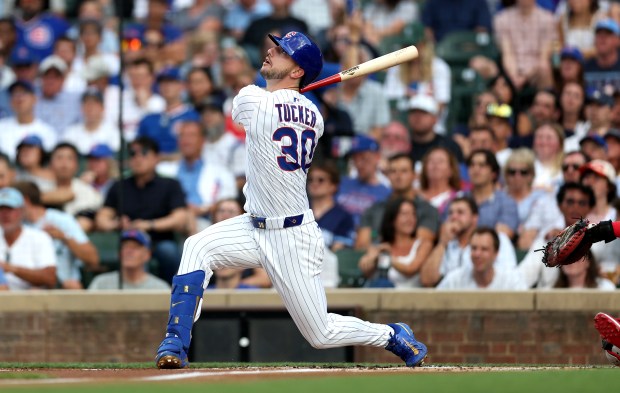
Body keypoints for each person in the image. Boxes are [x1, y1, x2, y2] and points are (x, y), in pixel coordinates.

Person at [155, 31, 428, 370]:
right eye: (276, 46)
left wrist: (277, 97)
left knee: (321, 333)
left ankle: (390, 334)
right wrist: (286, 95)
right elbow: (285, 111)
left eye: (282, 51)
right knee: (197, 246)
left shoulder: (252, 99)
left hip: (291, 236)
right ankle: (175, 342)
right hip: (253, 224)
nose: (271, 51)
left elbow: (252, 112)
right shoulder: (316, 117)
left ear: (298, 70)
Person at [95, 136, 188, 284]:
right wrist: (115, 224)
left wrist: (149, 225)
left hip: (158, 239)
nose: (138, 158)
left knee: (169, 252)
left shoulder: (170, 184)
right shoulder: (119, 186)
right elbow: (102, 217)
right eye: (133, 154)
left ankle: (170, 292)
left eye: (144, 153)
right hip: (126, 239)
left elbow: (180, 217)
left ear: (156, 158)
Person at [15, 181, 99, 289]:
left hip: (64, 285)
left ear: (25, 200)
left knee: (73, 287)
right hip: (27, 285)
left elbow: (93, 259)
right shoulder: (14, 226)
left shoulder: (61, 220)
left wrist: (64, 237)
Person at [420, 196, 517, 288]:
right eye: (450, 213)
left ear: (475, 218)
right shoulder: (447, 245)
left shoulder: (498, 239)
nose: (454, 217)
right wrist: (442, 243)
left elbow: (509, 278)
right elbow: (427, 280)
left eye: (460, 212)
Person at [518, 182, 595, 288]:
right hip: (548, 300)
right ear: (560, 206)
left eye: (582, 203)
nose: (575, 207)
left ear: (590, 208)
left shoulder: (598, 237)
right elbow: (523, 278)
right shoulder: (547, 240)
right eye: (570, 202)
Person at [358, 197, 432, 288]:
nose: (410, 219)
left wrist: (388, 257)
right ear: (392, 218)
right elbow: (366, 272)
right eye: (404, 214)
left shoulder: (423, 244)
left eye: (413, 214)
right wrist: (373, 258)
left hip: (410, 299)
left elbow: (411, 270)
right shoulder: (381, 244)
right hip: (382, 296)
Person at [0, 187, 57, 290]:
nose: (5, 215)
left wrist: (11, 269)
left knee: (36, 291)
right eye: (1, 210)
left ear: (21, 211)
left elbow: (50, 278)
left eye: (10, 209)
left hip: (30, 301)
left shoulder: (39, 238)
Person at [436, 227, 527, 290]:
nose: (477, 254)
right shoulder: (455, 279)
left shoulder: (511, 280)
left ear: (496, 253)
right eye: (474, 248)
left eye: (484, 249)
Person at [88, 229, 171, 291]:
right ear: (119, 253)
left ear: (147, 255)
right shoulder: (101, 283)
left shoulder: (160, 288)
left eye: (135, 247)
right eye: (125, 247)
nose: (129, 251)